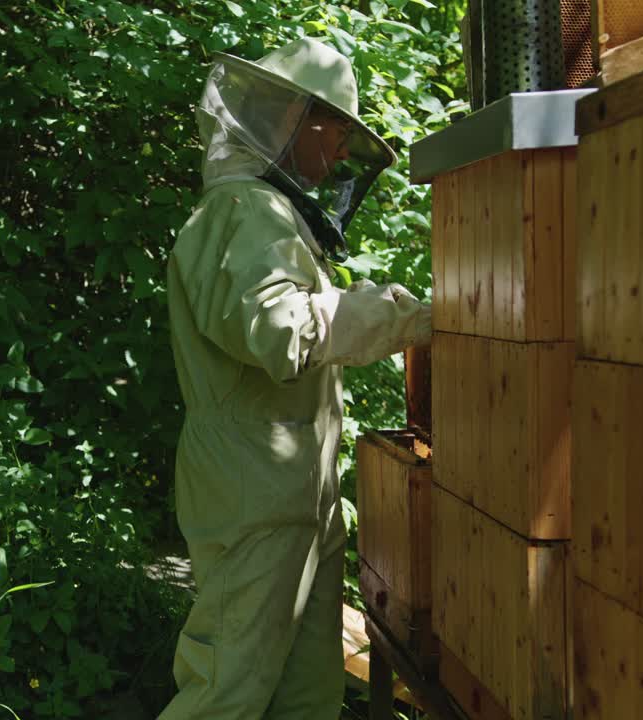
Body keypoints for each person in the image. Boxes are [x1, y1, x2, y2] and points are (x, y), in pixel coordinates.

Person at [160, 37, 433, 719]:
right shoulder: (244, 211)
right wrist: (404, 319)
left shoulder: (263, 213)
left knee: (303, 695)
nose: (341, 152)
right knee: (225, 693)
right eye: (338, 129)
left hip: (290, 491)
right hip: (256, 491)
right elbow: (282, 329)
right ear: (294, 119)